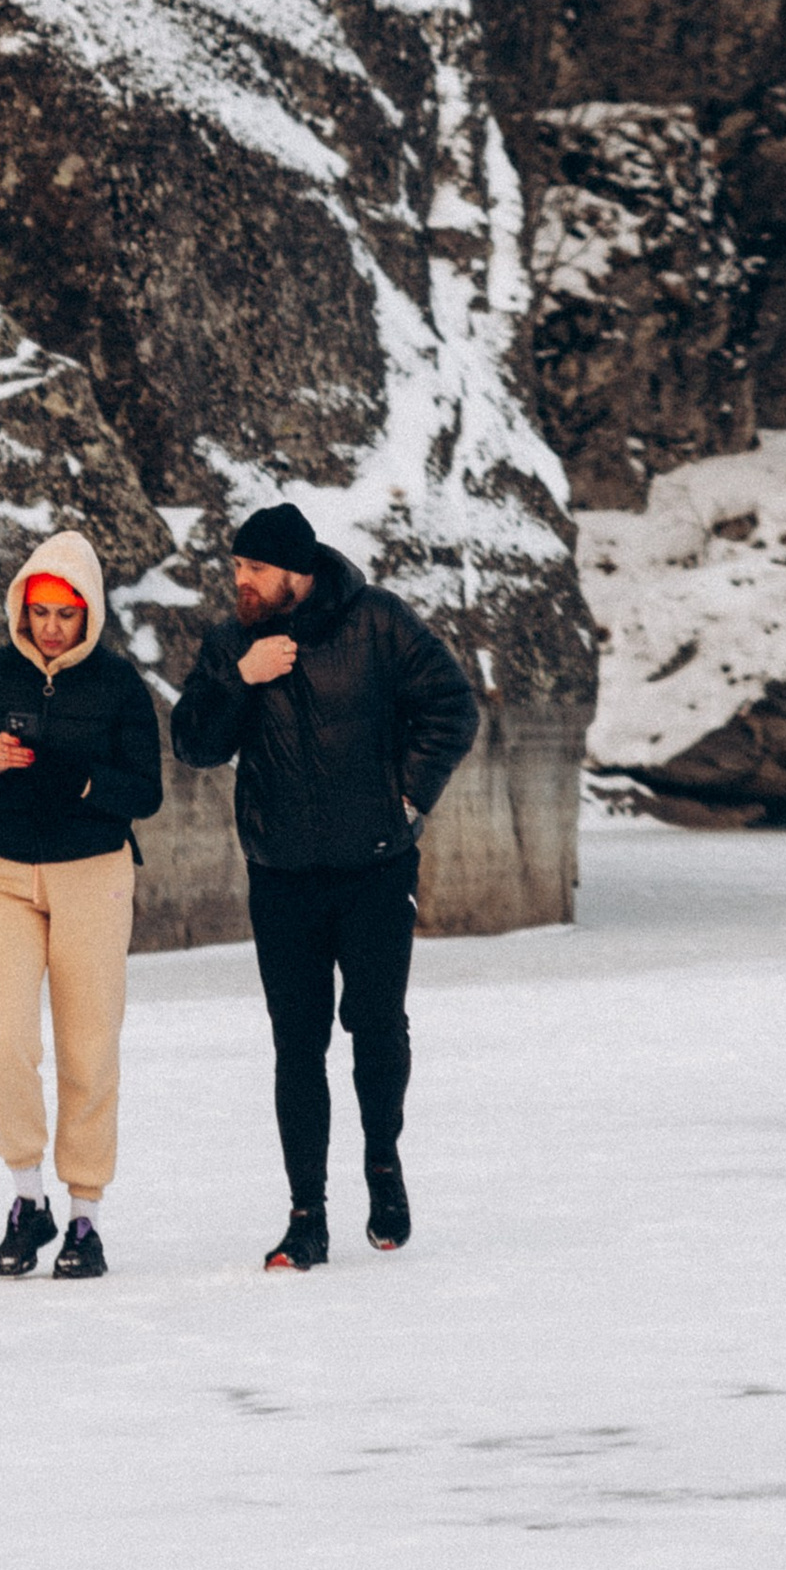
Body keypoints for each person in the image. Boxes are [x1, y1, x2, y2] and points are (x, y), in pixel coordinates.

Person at [171, 499, 479, 1271]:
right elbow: (194, 743)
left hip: (375, 866)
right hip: (281, 876)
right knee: (296, 1048)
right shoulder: (231, 643)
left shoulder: (378, 622)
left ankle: (383, 1163)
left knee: (376, 1029)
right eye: (236, 567)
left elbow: (453, 705)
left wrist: (405, 797)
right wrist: (240, 680)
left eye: (255, 570)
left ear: (297, 576)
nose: (240, 581)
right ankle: (305, 1217)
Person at [0, 527, 163, 1280]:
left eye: (66, 614)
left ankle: (86, 1216)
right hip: (2, 873)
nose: (52, 627)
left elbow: (147, 793)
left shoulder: (120, 685)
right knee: (5, 1045)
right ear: (21, 609)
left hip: (93, 873)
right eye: (40, 612)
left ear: (88, 612)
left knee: (89, 1048)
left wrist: (86, 781)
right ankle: (26, 1199)